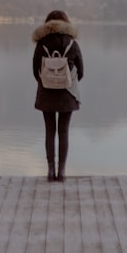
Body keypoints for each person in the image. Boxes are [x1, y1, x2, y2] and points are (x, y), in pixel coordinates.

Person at [31, 10, 84, 182]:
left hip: (46, 93)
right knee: (63, 131)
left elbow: (34, 71)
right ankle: (61, 172)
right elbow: (81, 72)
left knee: (50, 131)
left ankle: (50, 171)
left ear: (47, 23)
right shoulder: (72, 43)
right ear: (66, 23)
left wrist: (48, 81)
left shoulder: (41, 43)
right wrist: (66, 79)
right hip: (67, 94)